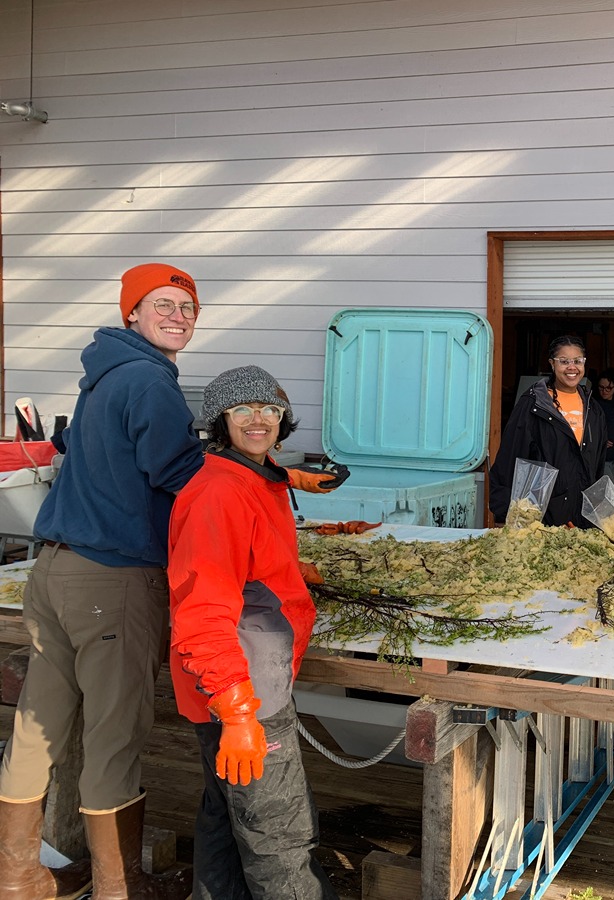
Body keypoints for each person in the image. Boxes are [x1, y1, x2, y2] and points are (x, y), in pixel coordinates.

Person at [0, 264, 341, 900]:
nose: (179, 316)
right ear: (132, 311)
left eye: (189, 306)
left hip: (54, 569)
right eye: (164, 304)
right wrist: (276, 487)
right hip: (113, 576)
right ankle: (117, 886)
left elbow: (102, 452)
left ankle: (18, 873)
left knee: (39, 723)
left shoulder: (102, 374)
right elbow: (189, 473)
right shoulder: (150, 380)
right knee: (115, 733)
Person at [167, 365, 336, 899]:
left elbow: (250, 541)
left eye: (269, 409)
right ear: (220, 420)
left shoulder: (249, 475)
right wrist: (238, 711)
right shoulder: (219, 494)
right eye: (242, 410)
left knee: (226, 811)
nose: (258, 420)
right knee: (277, 832)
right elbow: (201, 608)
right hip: (242, 688)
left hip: (240, 679)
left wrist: (286, 565)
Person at [489, 335, 607, 527]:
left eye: (577, 361)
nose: (572, 367)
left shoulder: (594, 410)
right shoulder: (534, 405)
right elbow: (509, 459)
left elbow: (598, 466)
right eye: (564, 361)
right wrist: (503, 513)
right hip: (543, 519)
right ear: (552, 364)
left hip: (583, 519)